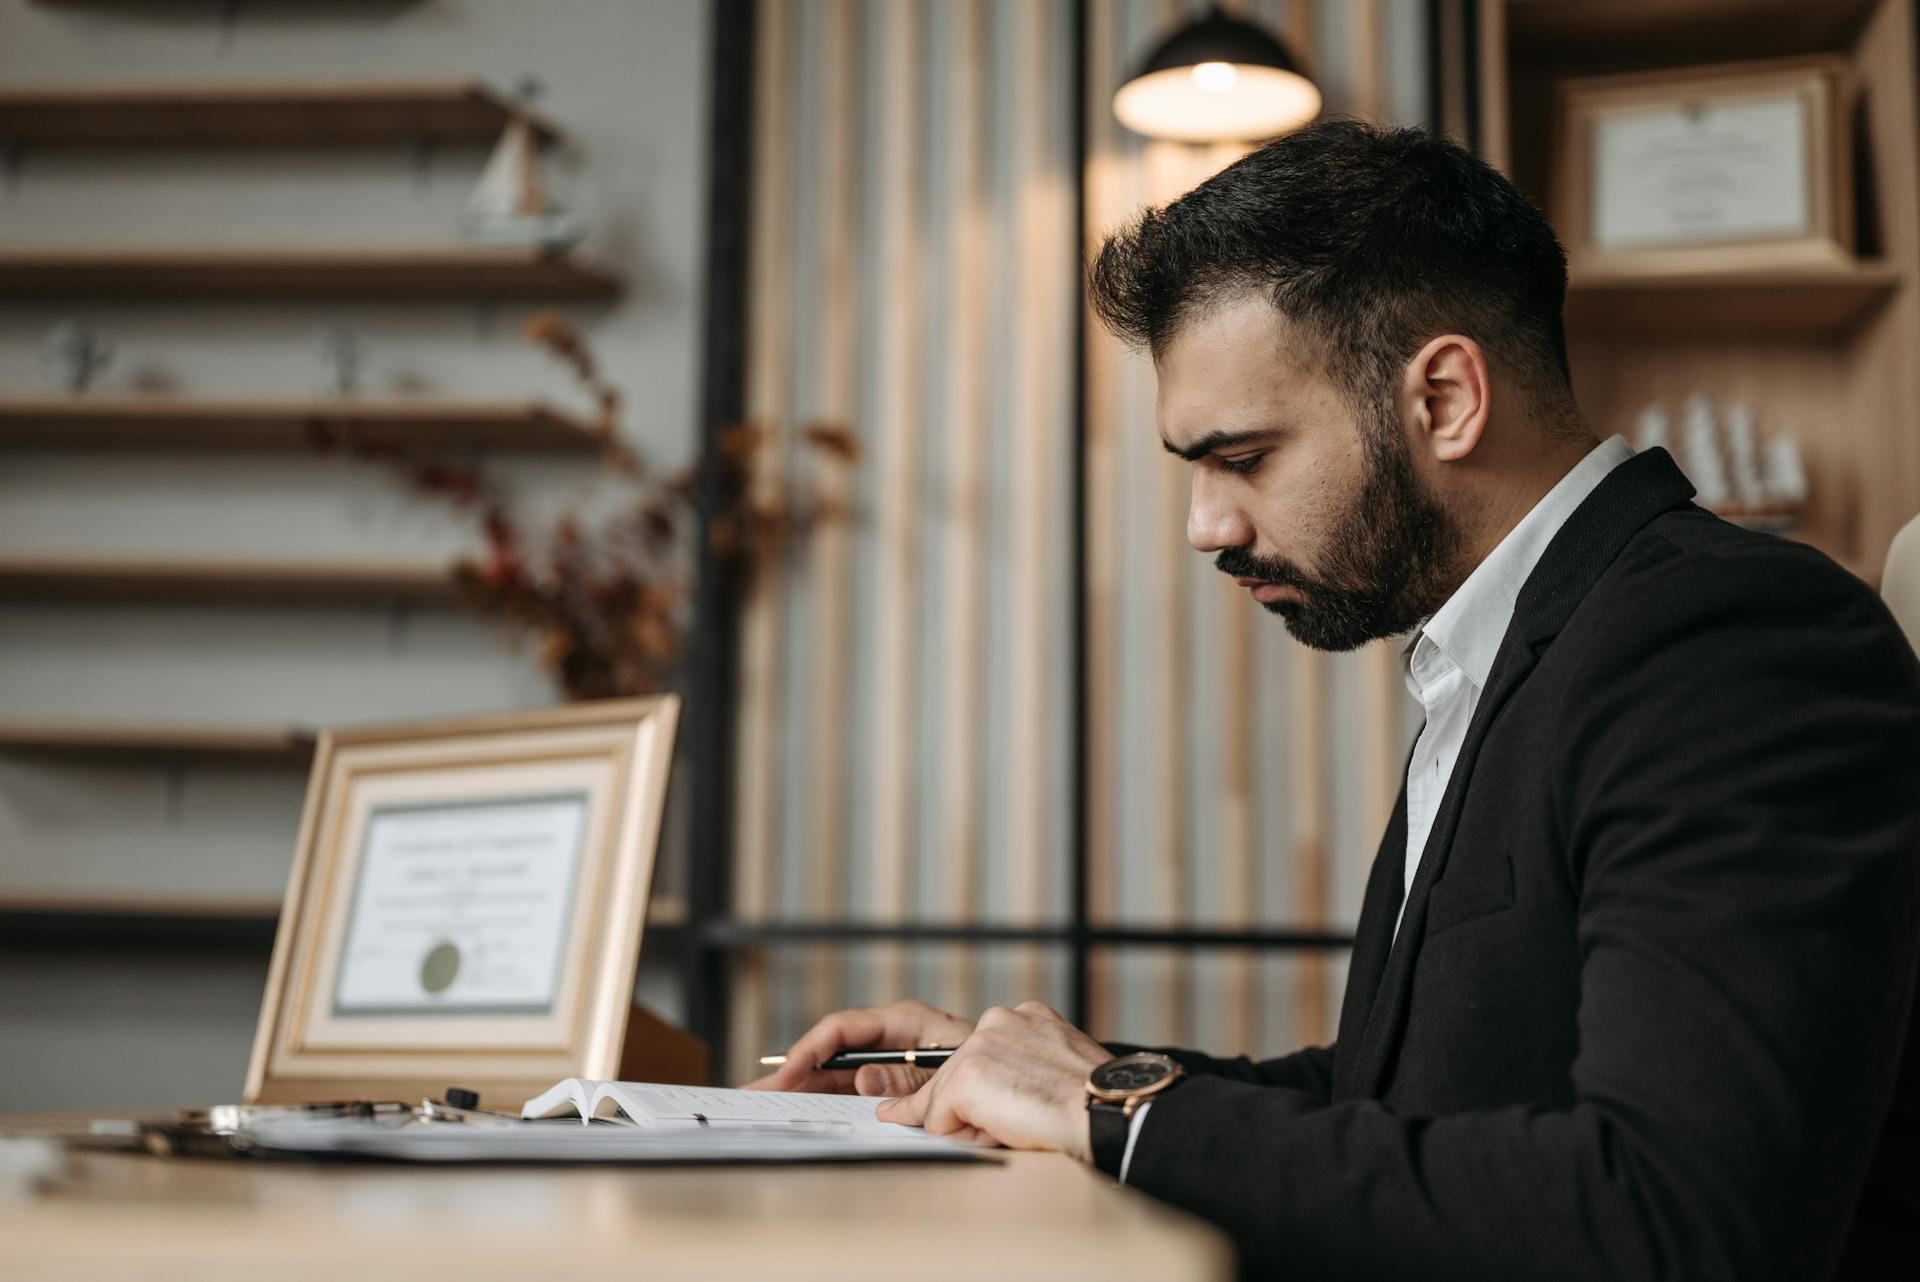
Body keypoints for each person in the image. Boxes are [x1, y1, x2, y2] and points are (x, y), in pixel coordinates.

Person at [745, 119, 1920, 1280]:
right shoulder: (1504, 650)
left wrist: (1111, 1109)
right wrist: (1038, 1074)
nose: (1208, 526)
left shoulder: (1729, 641)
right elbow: (1402, 1100)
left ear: (1446, 399)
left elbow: (1675, 1214)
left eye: (1243, 457)